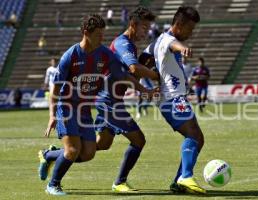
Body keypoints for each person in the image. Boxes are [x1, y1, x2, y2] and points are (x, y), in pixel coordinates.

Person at [38, 14, 152, 196]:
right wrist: (52, 115)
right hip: (66, 107)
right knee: (73, 150)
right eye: (98, 34)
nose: (102, 38)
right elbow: (56, 91)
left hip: (84, 109)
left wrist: (141, 89)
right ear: (86, 33)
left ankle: (49, 155)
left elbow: (123, 75)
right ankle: (53, 184)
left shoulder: (105, 54)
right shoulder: (70, 56)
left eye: (103, 34)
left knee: (88, 153)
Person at [95, 7, 158, 193]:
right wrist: (157, 76)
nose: (146, 32)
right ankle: (119, 182)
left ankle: (51, 154)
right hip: (109, 101)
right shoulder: (123, 44)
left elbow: (127, 76)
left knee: (101, 144)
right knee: (139, 140)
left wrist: (143, 89)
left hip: (109, 99)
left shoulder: (129, 44)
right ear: (133, 24)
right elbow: (133, 69)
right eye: (144, 28)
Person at [144, 6, 206, 194]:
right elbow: (175, 45)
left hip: (173, 98)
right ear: (179, 25)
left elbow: (142, 59)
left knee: (197, 138)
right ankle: (185, 177)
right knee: (194, 135)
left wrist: (146, 83)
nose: (191, 33)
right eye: (190, 29)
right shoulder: (168, 40)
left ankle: (179, 181)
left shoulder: (157, 42)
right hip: (172, 98)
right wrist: (184, 48)